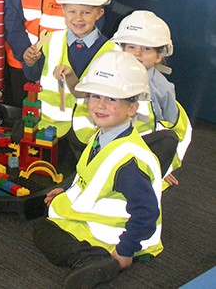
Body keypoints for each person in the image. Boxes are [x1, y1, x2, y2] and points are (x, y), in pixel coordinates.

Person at [33, 51, 163, 288]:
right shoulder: (102, 136)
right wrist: (65, 188)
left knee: (44, 231)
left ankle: (92, 261)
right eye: (95, 96)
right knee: (44, 215)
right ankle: (90, 257)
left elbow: (147, 213)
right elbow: (86, 171)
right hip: (90, 220)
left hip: (115, 237)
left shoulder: (128, 162)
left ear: (132, 108)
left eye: (111, 99)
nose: (100, 105)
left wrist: (125, 251)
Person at [22, 0, 117, 164]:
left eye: (86, 12)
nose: (78, 18)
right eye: (72, 11)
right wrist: (30, 62)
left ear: (99, 13)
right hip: (49, 129)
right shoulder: (50, 41)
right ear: (63, 10)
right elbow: (33, 76)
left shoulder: (112, 51)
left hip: (89, 135)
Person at [110, 10, 192, 186]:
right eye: (131, 47)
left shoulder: (163, 90)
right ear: (122, 48)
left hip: (143, 155)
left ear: (158, 56)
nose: (137, 54)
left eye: (146, 49)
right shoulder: (110, 76)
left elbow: (171, 133)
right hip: (109, 149)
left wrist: (163, 165)